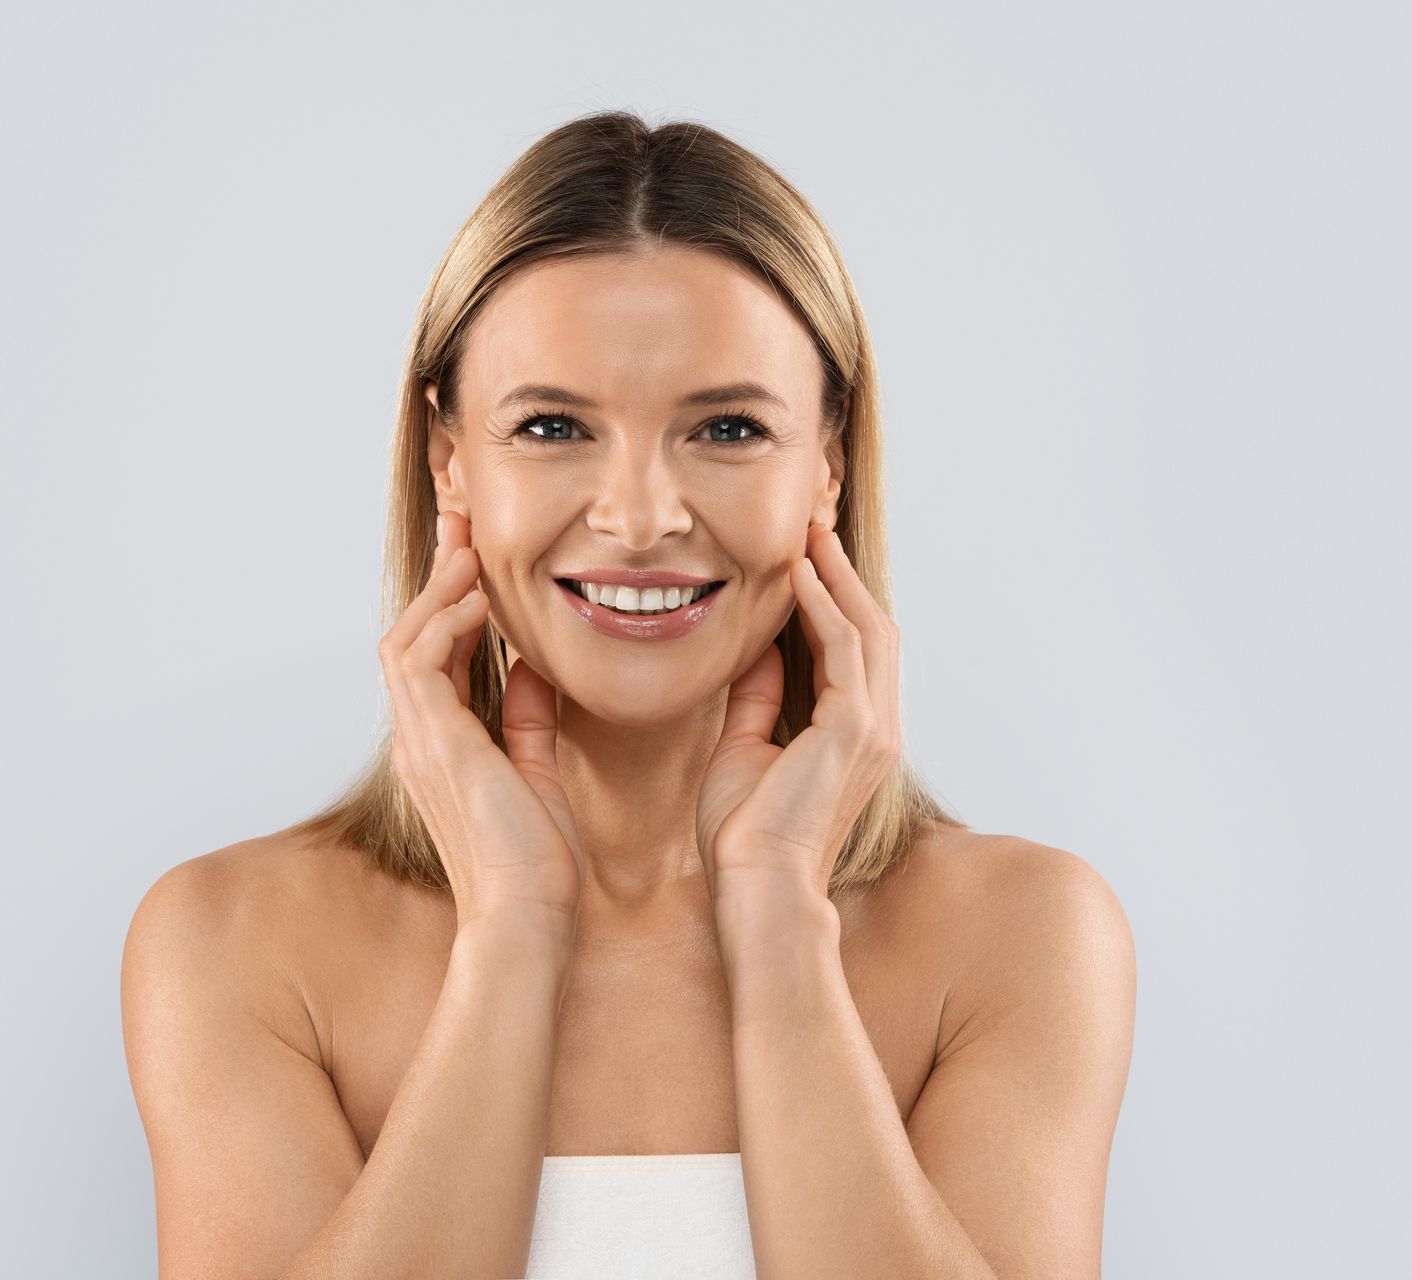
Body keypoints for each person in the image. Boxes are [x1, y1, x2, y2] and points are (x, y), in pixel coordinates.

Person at [120, 109, 1136, 1279]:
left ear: (831, 461)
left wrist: (779, 924)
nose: (642, 517)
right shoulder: (237, 946)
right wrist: (511, 925)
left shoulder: (1021, 937)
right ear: (450, 459)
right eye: (552, 425)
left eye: (729, 427)